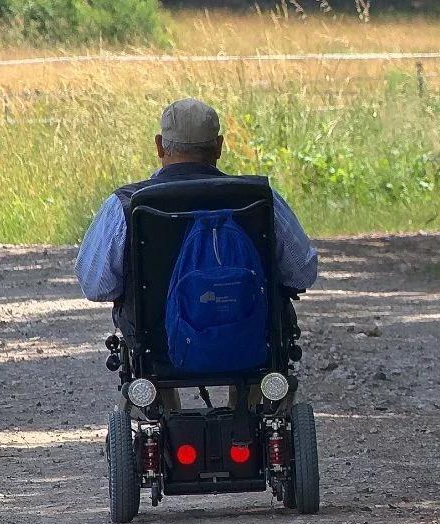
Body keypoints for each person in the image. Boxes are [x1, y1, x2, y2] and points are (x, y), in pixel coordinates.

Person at [75, 98, 319, 408]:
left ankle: (160, 432)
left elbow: (97, 286)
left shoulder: (127, 204)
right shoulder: (259, 199)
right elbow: (302, 272)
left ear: (160, 146)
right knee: (265, 364)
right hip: (253, 339)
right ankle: (251, 426)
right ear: (218, 146)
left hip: (159, 346)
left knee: (147, 360)